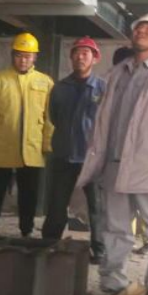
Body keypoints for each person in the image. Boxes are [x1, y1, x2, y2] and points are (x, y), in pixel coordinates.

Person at [74, 13, 148, 295]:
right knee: (115, 228)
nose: (142, 31)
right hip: (114, 164)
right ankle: (112, 282)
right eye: (139, 27)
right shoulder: (117, 73)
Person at [0, 32, 54, 238]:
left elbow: (49, 118)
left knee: (29, 194)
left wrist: (48, 145)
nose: (23, 60)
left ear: (35, 57)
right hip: (1, 147)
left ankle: (26, 232)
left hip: (33, 148)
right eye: (19, 55)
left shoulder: (45, 82)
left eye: (28, 56)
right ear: (12, 55)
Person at [41, 37, 106, 263]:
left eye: (86, 53)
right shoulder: (60, 88)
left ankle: (100, 250)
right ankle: (49, 244)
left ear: (95, 59)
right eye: (77, 53)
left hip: (92, 158)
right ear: (71, 57)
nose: (80, 57)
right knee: (57, 204)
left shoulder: (103, 88)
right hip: (64, 155)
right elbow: (54, 117)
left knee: (97, 207)